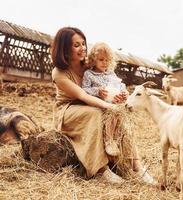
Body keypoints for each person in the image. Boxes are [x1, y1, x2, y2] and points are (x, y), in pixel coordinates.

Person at [51, 27, 156, 185]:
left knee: (120, 117)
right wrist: (109, 107)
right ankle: (100, 170)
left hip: (94, 103)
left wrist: (118, 96)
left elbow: (110, 81)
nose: (83, 48)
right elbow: (83, 95)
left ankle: (136, 167)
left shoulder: (90, 64)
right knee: (96, 114)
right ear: (64, 48)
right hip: (69, 109)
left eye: (83, 43)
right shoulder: (59, 73)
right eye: (76, 45)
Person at [82, 42, 128, 157]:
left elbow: (120, 84)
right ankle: (109, 140)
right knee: (111, 112)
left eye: (107, 60)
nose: (105, 63)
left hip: (112, 101)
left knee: (119, 113)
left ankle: (118, 139)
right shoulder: (89, 74)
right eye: (101, 60)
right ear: (93, 59)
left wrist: (124, 92)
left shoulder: (111, 73)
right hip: (99, 103)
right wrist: (98, 91)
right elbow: (85, 89)